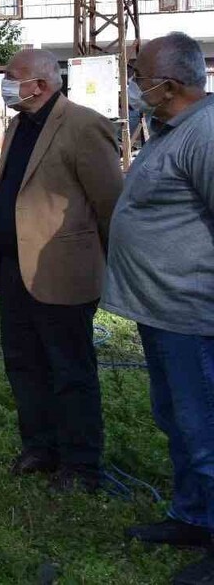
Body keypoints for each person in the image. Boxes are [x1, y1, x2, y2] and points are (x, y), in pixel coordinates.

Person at [103, 32, 214, 585]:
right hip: (161, 313)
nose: (134, 84)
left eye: (139, 76)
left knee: (205, 428)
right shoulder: (170, 129)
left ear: (167, 86)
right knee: (179, 422)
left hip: (192, 315)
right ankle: (193, 516)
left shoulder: (206, 133)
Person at [0, 49, 121, 493]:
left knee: (70, 369)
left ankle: (82, 465)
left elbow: (109, 203)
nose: (5, 85)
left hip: (62, 272)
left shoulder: (83, 125)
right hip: (14, 268)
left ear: (40, 85)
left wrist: (108, 265)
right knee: (23, 363)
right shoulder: (17, 125)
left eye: (12, 77)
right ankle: (40, 447)